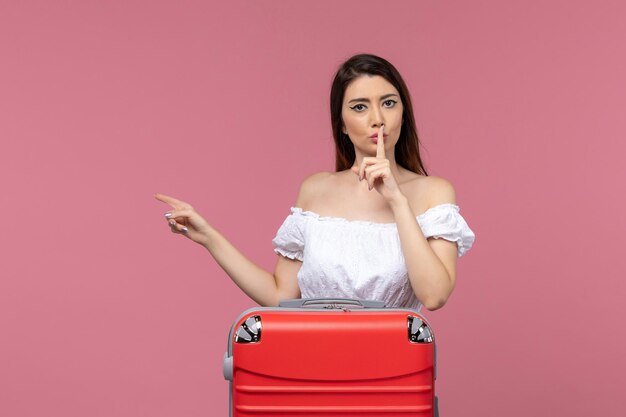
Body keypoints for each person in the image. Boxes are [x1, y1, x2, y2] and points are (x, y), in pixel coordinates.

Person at [155, 53, 475, 312]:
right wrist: (209, 237)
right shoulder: (315, 189)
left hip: (394, 375)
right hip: (314, 369)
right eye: (359, 107)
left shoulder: (434, 192)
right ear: (343, 125)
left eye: (389, 102)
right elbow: (280, 294)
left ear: (404, 114)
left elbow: (434, 296)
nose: (377, 117)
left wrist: (396, 199)